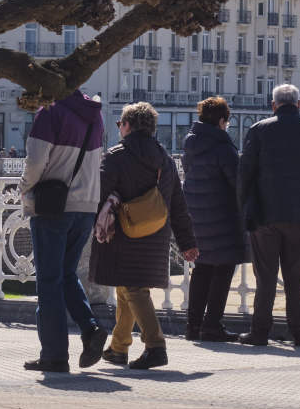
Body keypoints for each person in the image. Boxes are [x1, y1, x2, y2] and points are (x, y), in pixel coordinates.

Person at [92, 102, 198, 369]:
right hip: (156, 233)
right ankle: (118, 347)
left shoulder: (116, 156)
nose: (120, 129)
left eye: (120, 124)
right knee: (127, 286)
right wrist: (187, 242)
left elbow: (99, 195)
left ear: (127, 125)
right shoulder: (164, 158)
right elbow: (177, 203)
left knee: (133, 288)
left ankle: (155, 346)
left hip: (124, 233)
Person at [19, 88, 107, 373]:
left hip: (53, 207)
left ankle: (54, 355)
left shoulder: (49, 113)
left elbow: (34, 162)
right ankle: (91, 328)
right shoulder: (95, 115)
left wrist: (24, 189)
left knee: (48, 281)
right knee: (66, 274)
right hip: (86, 206)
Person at [237, 83, 300, 347]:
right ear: (299, 105)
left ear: (273, 105)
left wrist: (245, 207)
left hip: (265, 216)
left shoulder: (259, 130)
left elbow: (245, 174)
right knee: (294, 278)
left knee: (265, 278)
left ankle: (259, 333)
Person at [181, 96, 247, 341]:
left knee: (203, 268)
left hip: (196, 214)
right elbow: (237, 183)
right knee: (224, 267)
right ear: (222, 121)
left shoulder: (191, 144)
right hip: (222, 216)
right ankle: (211, 325)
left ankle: (193, 326)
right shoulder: (223, 147)